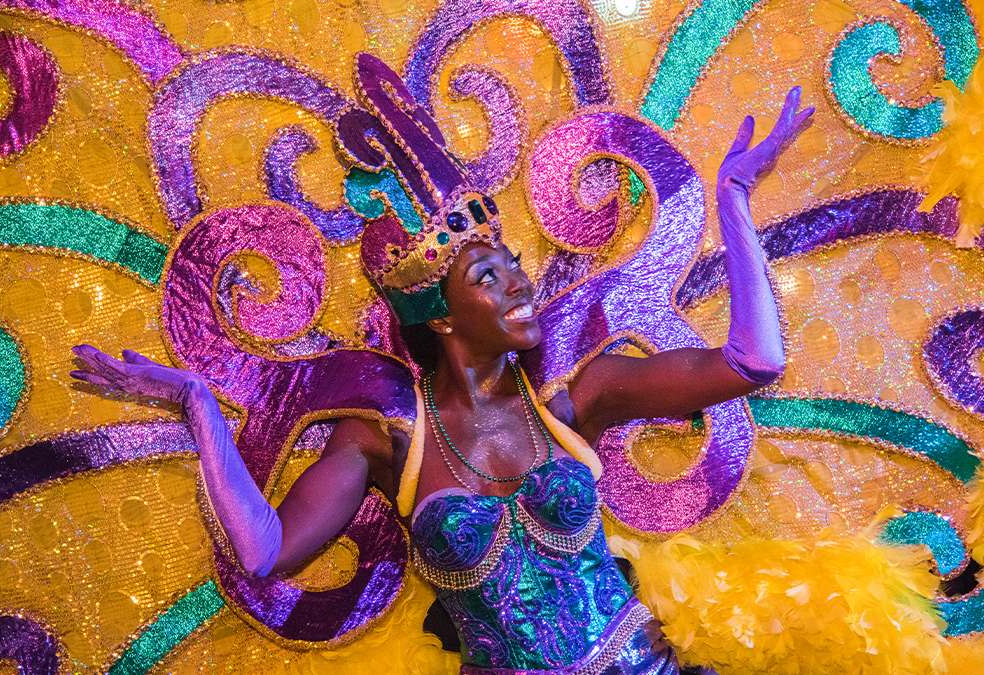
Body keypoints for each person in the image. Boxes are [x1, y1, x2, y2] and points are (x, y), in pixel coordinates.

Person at [70, 53, 812, 674]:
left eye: (513, 264)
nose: (520, 283)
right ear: (445, 316)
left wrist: (734, 200)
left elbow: (754, 360)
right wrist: (199, 405)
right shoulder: (384, 439)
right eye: (489, 277)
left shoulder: (581, 396)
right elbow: (265, 553)